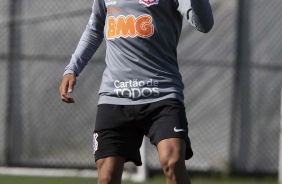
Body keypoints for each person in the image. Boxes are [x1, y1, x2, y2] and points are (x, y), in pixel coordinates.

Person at [59, 0, 213, 183]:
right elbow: (94, 29)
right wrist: (72, 69)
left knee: (172, 163)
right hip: (114, 97)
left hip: (162, 94)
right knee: (106, 177)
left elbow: (204, 24)